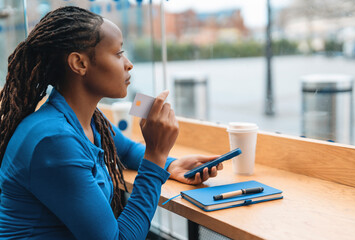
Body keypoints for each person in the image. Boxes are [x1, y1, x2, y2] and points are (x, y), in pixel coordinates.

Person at [0, 6, 223, 240]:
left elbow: (126, 150)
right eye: (118, 53)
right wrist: (155, 157)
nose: (128, 64)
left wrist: (171, 165)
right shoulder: (54, 141)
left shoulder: (86, 118)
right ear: (79, 63)